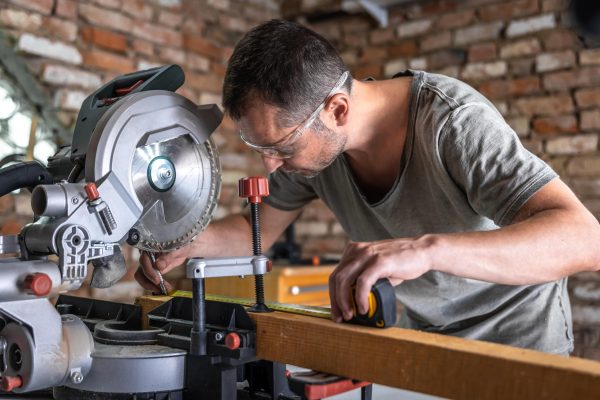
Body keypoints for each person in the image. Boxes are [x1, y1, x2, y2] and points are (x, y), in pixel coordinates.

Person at [135, 19, 600, 354]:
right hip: (425, 342)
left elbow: (584, 237)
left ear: (337, 110)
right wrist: (183, 243)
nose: (270, 163)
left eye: (279, 146)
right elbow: (255, 232)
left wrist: (427, 249)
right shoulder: (319, 154)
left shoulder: (453, 123)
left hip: (517, 346)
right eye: (258, 146)